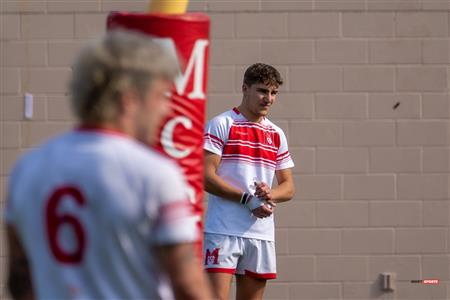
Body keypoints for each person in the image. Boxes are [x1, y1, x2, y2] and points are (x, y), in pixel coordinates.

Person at [5, 30, 212, 300]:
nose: (167, 109)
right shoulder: (154, 174)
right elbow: (187, 286)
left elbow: (19, 280)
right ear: (128, 100)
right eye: (161, 95)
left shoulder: (27, 168)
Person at [203, 63, 295, 300]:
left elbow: (288, 187)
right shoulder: (222, 124)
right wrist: (247, 199)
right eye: (262, 91)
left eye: (274, 93)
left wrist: (269, 194)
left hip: (261, 234)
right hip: (222, 230)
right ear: (245, 88)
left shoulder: (276, 134)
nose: (269, 99)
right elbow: (205, 177)